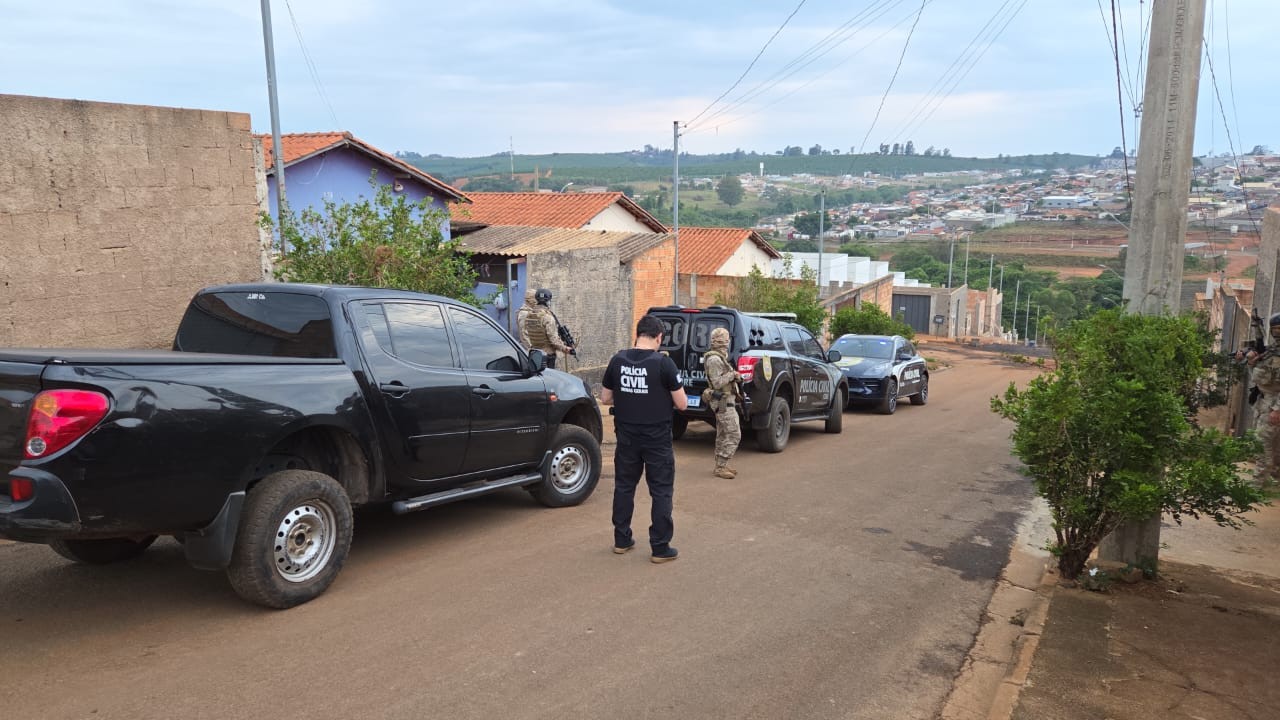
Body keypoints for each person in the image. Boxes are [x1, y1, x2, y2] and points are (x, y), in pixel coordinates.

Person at [599, 315, 688, 563]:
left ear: (637, 334)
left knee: (624, 487)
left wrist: (630, 395)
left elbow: (605, 398)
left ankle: (622, 539)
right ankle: (660, 548)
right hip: (657, 438)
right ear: (659, 337)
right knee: (660, 491)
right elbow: (681, 404)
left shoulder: (618, 360)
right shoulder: (663, 364)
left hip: (627, 436)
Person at [1245, 313, 1280, 487]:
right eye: (1275, 329)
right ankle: (1271, 477)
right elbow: (1261, 376)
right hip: (1264, 402)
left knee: (1261, 442)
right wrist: (1251, 362)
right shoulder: (1272, 351)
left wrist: (1277, 409)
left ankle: (1257, 485)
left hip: (1274, 405)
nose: (1277, 333)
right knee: (1274, 447)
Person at [702, 327, 742, 479]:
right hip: (723, 401)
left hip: (726, 400)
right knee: (733, 434)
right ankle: (721, 466)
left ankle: (721, 465)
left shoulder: (720, 357)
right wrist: (732, 375)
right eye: (726, 339)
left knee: (723, 433)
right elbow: (717, 382)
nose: (728, 342)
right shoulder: (714, 360)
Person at [517, 287, 573, 369]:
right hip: (547, 355)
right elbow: (553, 339)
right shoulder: (547, 317)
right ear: (548, 301)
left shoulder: (529, 315)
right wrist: (565, 348)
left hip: (535, 353)